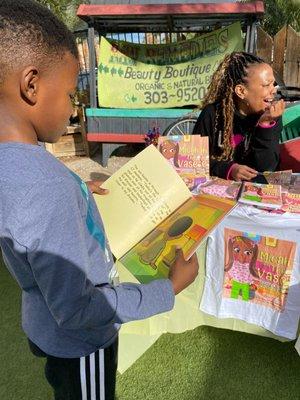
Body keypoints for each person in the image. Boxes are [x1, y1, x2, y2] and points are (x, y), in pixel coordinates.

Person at [0, 2, 199, 400]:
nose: (74, 108)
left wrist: (75, 193)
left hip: (44, 324)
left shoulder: (20, 168)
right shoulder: (44, 187)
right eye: (72, 92)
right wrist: (169, 288)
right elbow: (78, 310)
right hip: (82, 344)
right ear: (32, 85)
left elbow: (28, 220)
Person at [192, 52, 285, 181]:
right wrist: (229, 169)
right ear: (241, 91)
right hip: (218, 191)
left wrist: (265, 126)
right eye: (266, 85)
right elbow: (193, 161)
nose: (273, 90)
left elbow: (267, 168)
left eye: (273, 84)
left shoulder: (271, 116)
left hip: (254, 193)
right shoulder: (212, 114)